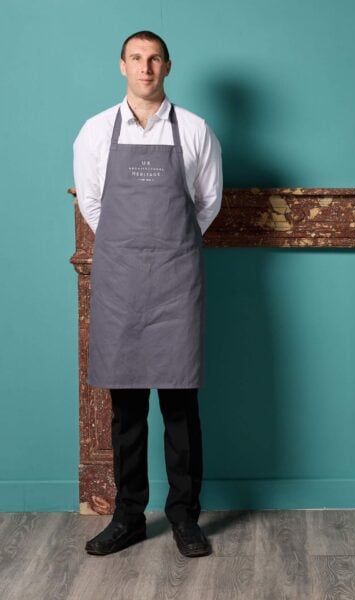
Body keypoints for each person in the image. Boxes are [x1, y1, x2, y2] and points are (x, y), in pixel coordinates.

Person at [73, 30, 222, 557]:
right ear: (122, 65)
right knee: (127, 410)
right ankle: (128, 517)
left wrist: (170, 245)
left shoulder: (196, 130)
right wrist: (128, 245)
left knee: (181, 407)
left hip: (176, 283)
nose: (145, 67)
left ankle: (184, 517)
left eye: (154, 58)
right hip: (120, 284)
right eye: (136, 58)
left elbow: (207, 203)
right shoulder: (95, 131)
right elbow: (93, 204)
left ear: (168, 66)